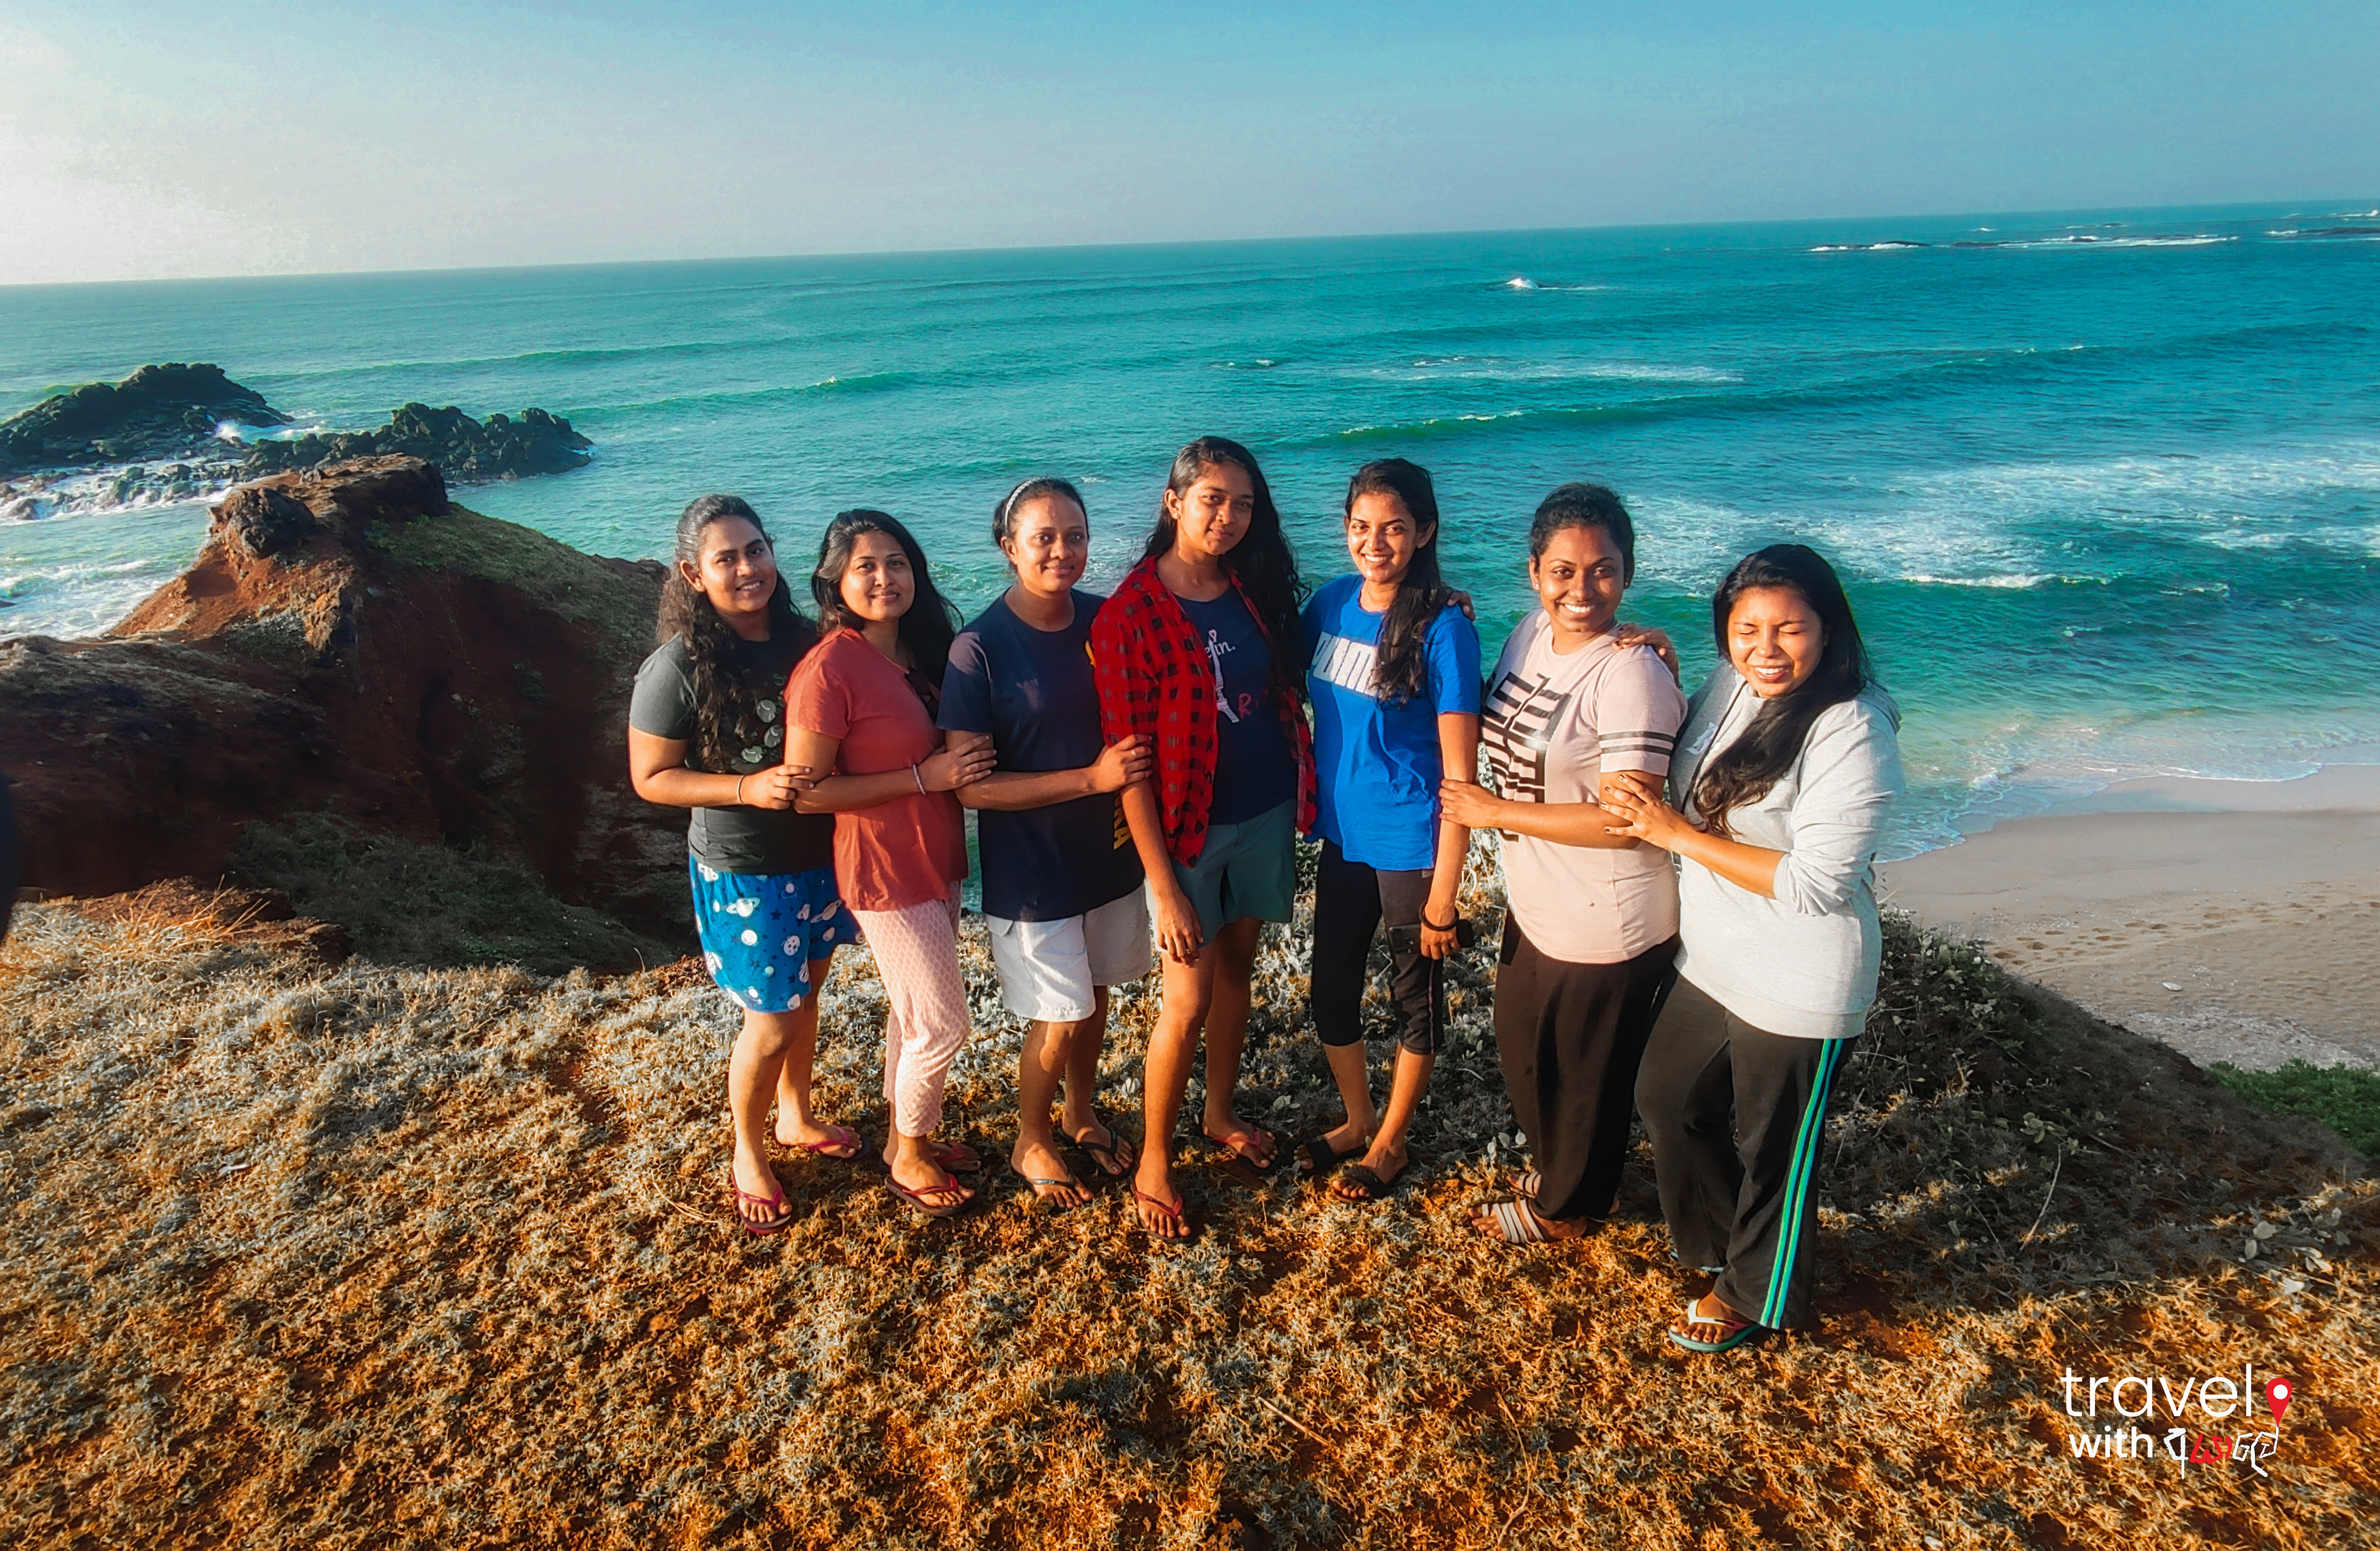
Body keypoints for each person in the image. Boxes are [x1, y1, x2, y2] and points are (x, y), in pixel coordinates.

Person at [1603, 543, 1903, 1352]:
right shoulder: (1731, 686)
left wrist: (1673, 834)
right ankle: (1714, 1249)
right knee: (1669, 1100)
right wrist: (1661, 670)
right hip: (1715, 957)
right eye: (1745, 629)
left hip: (1802, 972)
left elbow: (1816, 883)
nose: (1765, 649)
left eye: (1787, 630)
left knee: (1773, 1149)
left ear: (1828, 628)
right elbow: (1688, 763)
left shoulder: (1851, 726)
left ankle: (1759, 1293)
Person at [1439, 483, 1688, 1246]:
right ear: (1533, 573)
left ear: (1628, 572)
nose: (1581, 590)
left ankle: (1567, 1209)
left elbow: (1627, 822)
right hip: (1540, 897)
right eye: (1563, 571)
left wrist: (1495, 813)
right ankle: (1563, 1173)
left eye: (1602, 571)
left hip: (1608, 915)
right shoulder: (1526, 635)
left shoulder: (1630, 674)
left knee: (1581, 1080)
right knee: (1525, 1057)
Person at [1091, 436, 1315, 1239]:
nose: (1226, 516)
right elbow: (1131, 768)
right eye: (1211, 499)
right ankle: (1155, 1156)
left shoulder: (1252, 589)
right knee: (1182, 999)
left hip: (1262, 813)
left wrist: (1441, 602)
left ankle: (1217, 1113)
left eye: (1242, 503)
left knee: (1236, 971)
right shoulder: (1131, 614)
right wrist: (1159, 883)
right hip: (1187, 833)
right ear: (1173, 500)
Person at [626, 495, 862, 1236]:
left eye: (755, 550)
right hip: (745, 868)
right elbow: (650, 777)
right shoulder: (675, 667)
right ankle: (747, 1150)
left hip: (821, 853)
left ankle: (795, 1116)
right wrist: (745, 788)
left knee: (808, 995)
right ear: (694, 574)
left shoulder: (807, 639)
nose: (747, 568)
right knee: (770, 1018)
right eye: (726, 558)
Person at [939, 478, 1155, 1206]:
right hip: (1031, 869)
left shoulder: (1107, 620)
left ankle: (1080, 1111)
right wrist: (1089, 780)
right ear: (1009, 548)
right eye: (1043, 538)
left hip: (1110, 854)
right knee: (1057, 1015)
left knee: (1092, 997)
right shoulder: (978, 649)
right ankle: (1029, 1134)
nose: (1062, 551)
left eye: (1075, 536)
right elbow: (971, 787)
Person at [785, 510, 997, 1219]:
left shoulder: (915, 653)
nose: (885, 577)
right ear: (836, 582)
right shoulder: (828, 668)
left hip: (934, 854)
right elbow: (807, 794)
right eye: (866, 566)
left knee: (912, 1014)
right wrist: (921, 778)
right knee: (942, 1023)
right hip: (882, 867)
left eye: (897, 562)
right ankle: (906, 1154)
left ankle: (910, 1135)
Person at [1297, 458, 1480, 1202]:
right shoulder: (1329, 605)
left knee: (1413, 997)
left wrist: (1445, 893)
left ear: (1424, 532)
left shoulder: (1443, 629)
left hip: (1411, 842)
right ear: (1344, 531)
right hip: (1341, 835)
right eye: (1361, 528)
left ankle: (1390, 1143)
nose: (1375, 542)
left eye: (1394, 528)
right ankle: (1355, 1118)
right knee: (1330, 992)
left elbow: (1461, 776)